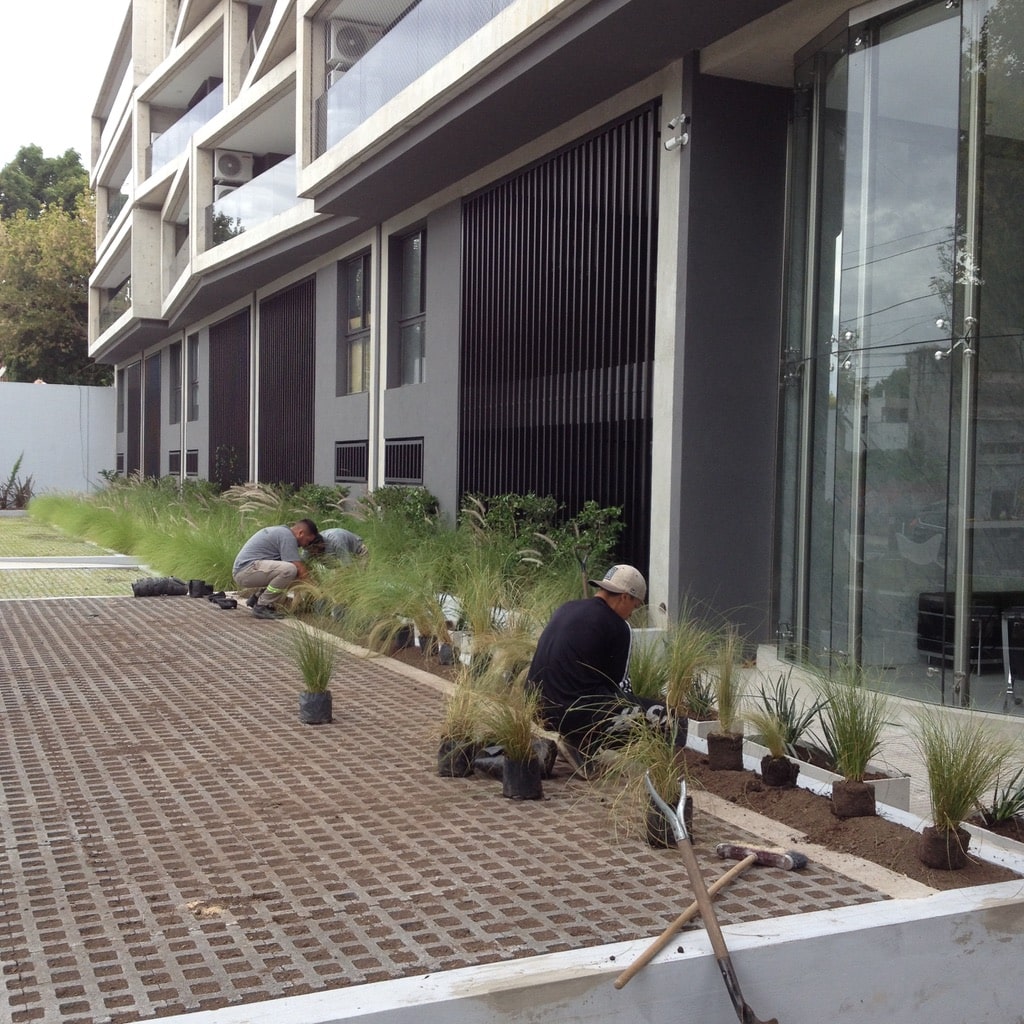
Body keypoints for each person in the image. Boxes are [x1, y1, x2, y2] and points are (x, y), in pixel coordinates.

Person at [528, 564, 670, 771]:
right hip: (570, 715)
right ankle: (583, 743)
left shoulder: (566, 607)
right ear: (624, 597)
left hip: (536, 708)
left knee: (587, 693)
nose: (632, 613)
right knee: (663, 716)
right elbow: (618, 688)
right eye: (635, 605)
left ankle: (575, 742)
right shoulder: (618, 627)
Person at [232, 519, 319, 619]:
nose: (306, 545)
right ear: (301, 533)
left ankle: (257, 598)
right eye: (308, 541)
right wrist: (316, 590)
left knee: (287, 573)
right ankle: (262, 606)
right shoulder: (288, 536)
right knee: (289, 570)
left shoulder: (281, 532)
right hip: (246, 571)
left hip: (246, 570)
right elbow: (298, 567)